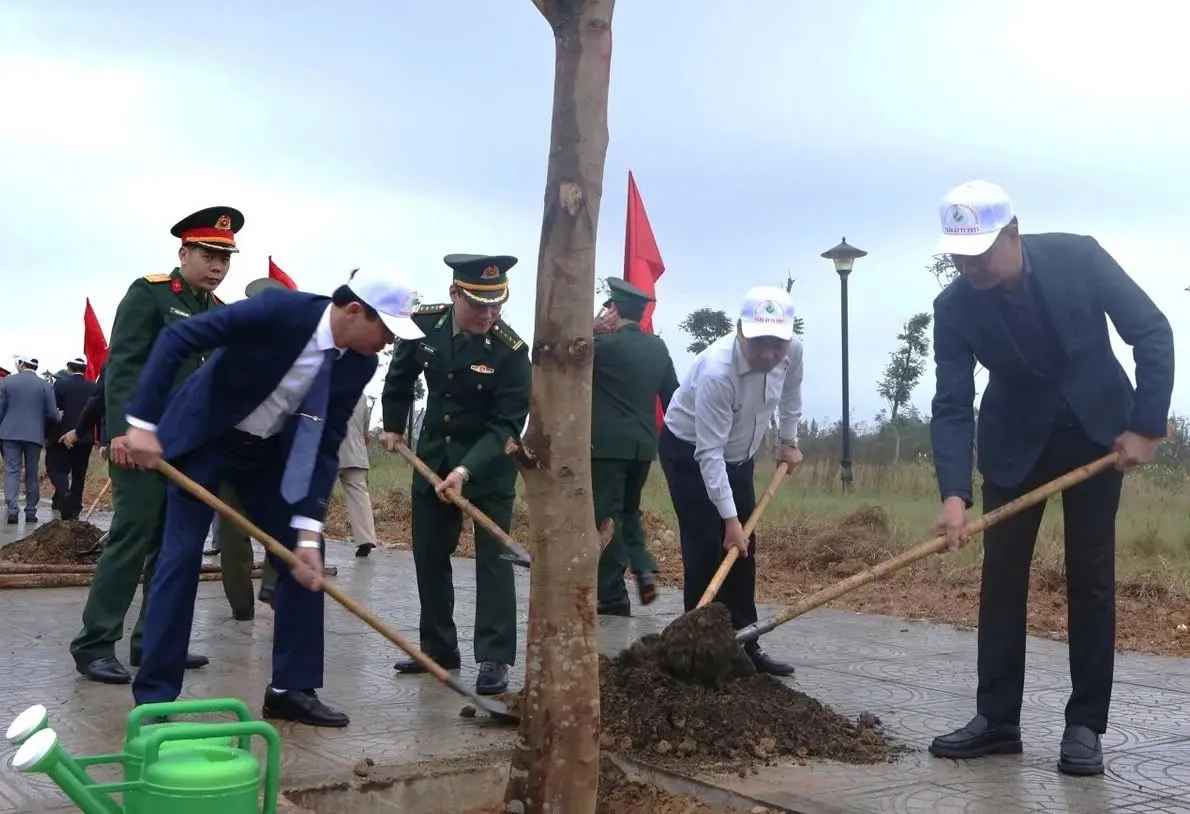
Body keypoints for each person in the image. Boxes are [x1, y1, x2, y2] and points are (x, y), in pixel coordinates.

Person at [924, 180, 1175, 776]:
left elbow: (1152, 331)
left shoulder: (1078, 257)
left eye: (981, 251)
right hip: (1015, 445)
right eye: (959, 256)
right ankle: (997, 720)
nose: (970, 266)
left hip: (1097, 434)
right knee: (1001, 576)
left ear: (1013, 232)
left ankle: (1085, 724)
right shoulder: (954, 306)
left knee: (1091, 576)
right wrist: (954, 493)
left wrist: (1146, 425)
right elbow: (953, 403)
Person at [122, 267, 421, 727]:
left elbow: (325, 442)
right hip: (204, 437)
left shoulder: (358, 362)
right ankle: (155, 698)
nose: (387, 343)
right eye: (385, 330)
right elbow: (179, 338)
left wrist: (307, 529)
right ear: (355, 311)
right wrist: (142, 424)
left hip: (267, 456)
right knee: (180, 558)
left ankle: (290, 689)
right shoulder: (278, 312)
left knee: (307, 558)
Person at [68, 206, 239, 684]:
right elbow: (122, 365)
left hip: (187, 449)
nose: (217, 266)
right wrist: (121, 430)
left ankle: (154, 641)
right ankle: (95, 643)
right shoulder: (152, 294)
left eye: (225, 259)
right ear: (183, 252)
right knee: (132, 537)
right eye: (208, 254)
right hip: (139, 444)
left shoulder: (219, 313)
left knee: (172, 549)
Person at [380, 253, 531, 696]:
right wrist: (392, 425)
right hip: (431, 461)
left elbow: (506, 425)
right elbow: (400, 373)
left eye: (496, 305)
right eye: (478, 305)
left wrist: (466, 469)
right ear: (453, 294)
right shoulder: (424, 325)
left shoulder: (511, 351)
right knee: (428, 554)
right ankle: (438, 649)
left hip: (486, 469)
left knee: (494, 561)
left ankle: (495, 657)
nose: (488, 315)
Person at [659, 286, 803, 677]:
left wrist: (788, 442)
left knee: (743, 550)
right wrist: (730, 520)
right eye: (760, 344)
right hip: (689, 453)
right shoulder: (717, 372)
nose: (770, 355)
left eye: (778, 344)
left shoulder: (794, 353)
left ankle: (745, 644)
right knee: (707, 545)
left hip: (739, 456)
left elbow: (791, 396)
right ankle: (697, 656)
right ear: (740, 331)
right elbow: (708, 454)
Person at [591, 278, 680, 616]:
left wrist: (590, 327)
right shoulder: (658, 348)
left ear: (613, 309)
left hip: (605, 447)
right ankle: (642, 567)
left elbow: (558, 349)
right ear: (642, 314)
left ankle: (612, 594)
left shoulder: (602, 346)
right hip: (643, 446)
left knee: (607, 517)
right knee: (629, 509)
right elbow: (674, 394)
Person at [0, 355, 59, 524]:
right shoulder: (45, 385)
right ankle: (31, 511)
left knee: (12, 471)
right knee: (32, 472)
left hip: (9, 433)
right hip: (34, 434)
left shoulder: (7, 382)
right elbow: (53, 415)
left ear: (22, 364)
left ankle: (12, 509)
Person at [47, 357, 98, 521]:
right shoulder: (93, 387)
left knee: (57, 469)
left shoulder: (61, 385)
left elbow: (53, 410)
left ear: (69, 368)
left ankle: (65, 495)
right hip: (85, 437)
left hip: (63, 436)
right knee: (79, 473)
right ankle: (75, 508)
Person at [338, 393, 378, 558]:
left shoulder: (324, 381)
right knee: (359, 496)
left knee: (318, 495)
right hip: (356, 451)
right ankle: (365, 540)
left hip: (331, 449)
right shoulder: (360, 394)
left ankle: (309, 535)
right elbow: (365, 430)